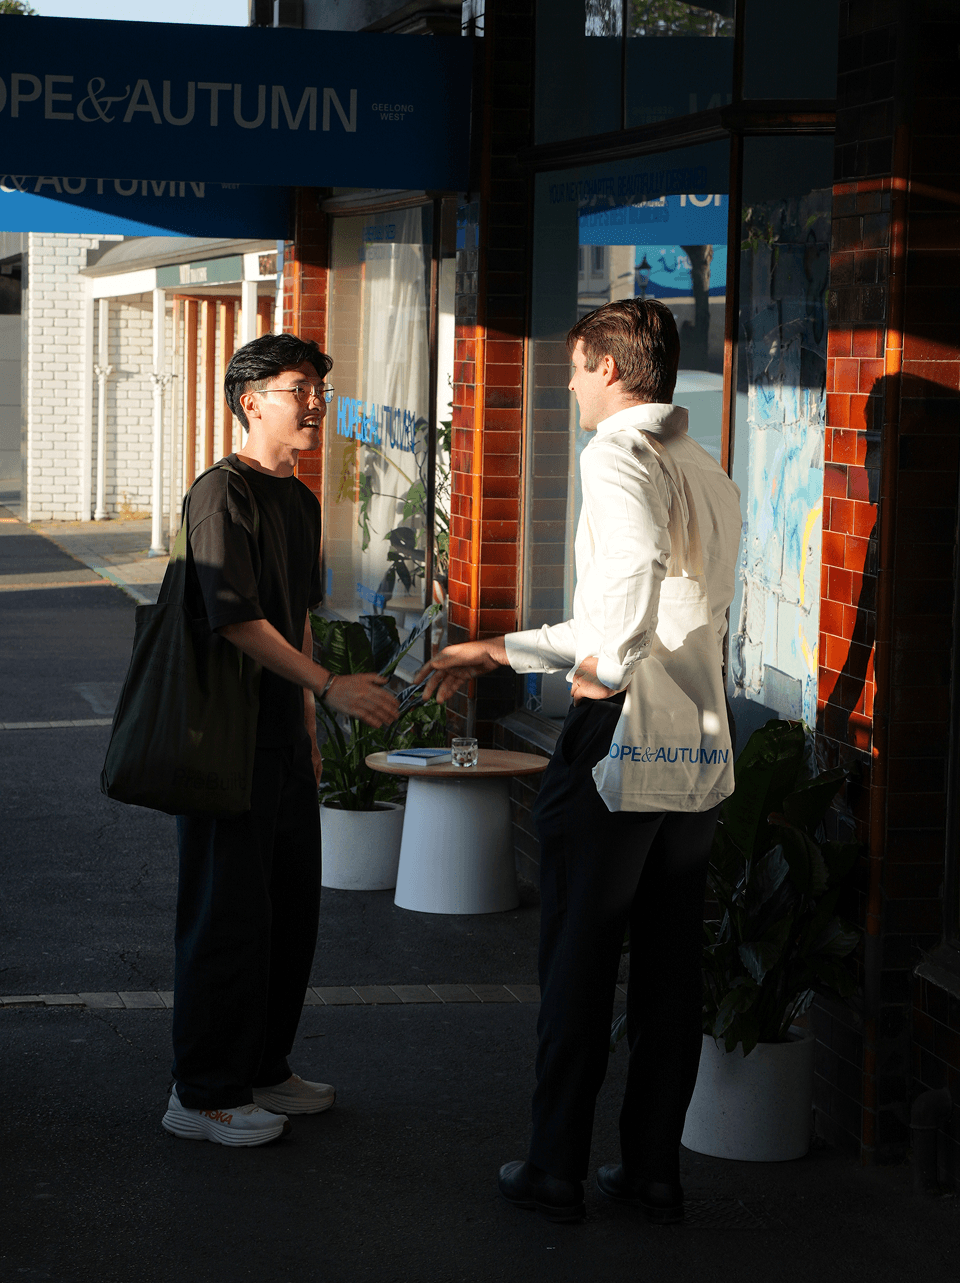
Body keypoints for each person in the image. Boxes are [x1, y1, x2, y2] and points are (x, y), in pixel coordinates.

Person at [418, 299, 742, 1221]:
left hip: (618, 736)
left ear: (607, 365)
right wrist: (502, 650)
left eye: (572, 367)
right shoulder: (703, 465)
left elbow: (623, 597)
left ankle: (554, 1166)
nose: (566, 384)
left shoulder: (617, 455)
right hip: (698, 747)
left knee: (578, 960)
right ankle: (650, 1169)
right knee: (672, 973)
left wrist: (600, 664)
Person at [161, 332, 399, 1147]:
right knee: (225, 913)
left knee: (288, 911)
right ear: (250, 398)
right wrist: (327, 685)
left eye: (318, 390)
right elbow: (235, 619)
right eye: (297, 388)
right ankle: (202, 1091)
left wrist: (306, 727)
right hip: (221, 738)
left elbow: (295, 610)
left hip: (280, 738)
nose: (313, 405)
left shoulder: (297, 500)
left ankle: (264, 1065)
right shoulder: (219, 495)